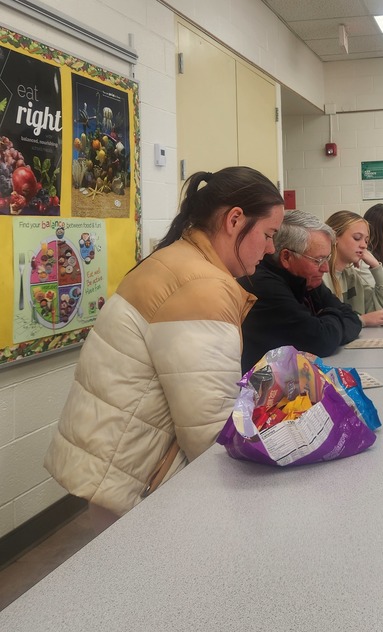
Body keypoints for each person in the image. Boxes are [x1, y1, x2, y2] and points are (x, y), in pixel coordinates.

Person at [44, 167, 285, 518]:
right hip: (139, 481)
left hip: (119, 466)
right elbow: (211, 430)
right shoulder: (201, 285)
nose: (271, 248)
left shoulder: (180, 259)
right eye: (268, 234)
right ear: (235, 220)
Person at [238, 210, 362, 372]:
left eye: (327, 259)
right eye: (318, 260)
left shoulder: (306, 278)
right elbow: (322, 341)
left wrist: (325, 318)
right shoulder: (264, 286)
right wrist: (331, 315)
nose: (325, 268)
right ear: (286, 257)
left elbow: (353, 318)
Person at [323, 210, 383, 326]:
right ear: (334, 237)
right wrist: (361, 320)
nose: (364, 245)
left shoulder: (351, 276)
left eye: (366, 240)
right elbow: (326, 324)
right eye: (357, 238)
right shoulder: (320, 276)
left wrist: (376, 266)